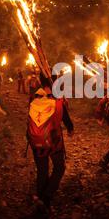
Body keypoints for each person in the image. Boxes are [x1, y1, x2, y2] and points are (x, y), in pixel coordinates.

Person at [26, 79, 74, 211]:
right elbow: (67, 121)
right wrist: (70, 129)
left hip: (35, 141)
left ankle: (40, 199)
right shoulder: (58, 102)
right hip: (53, 142)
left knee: (42, 170)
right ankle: (47, 196)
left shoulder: (33, 99)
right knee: (59, 167)